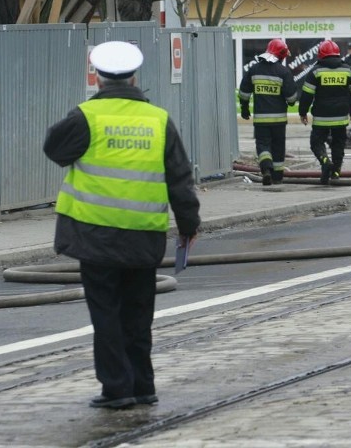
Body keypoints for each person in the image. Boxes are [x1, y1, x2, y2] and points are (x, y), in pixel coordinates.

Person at [43, 41, 200, 410]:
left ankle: (117, 388)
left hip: (95, 235)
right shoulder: (158, 119)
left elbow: (54, 149)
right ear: (134, 77)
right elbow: (180, 178)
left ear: (97, 77)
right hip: (143, 236)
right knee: (138, 314)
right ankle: (144, 385)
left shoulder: (85, 116)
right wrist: (188, 223)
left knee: (106, 314)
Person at [299, 40, 351, 184]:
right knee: (338, 145)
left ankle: (325, 161)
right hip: (340, 117)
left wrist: (303, 112)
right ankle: (336, 172)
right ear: (338, 54)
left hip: (321, 117)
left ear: (321, 55)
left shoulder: (316, 71)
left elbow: (307, 95)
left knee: (316, 143)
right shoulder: (347, 71)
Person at [238, 38, 298, 185]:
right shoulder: (283, 72)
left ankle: (266, 169)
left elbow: (244, 93)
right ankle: (277, 177)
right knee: (278, 147)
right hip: (279, 121)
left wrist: (245, 109)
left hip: (261, 120)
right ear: (281, 55)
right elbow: (291, 99)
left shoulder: (254, 69)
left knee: (263, 145)